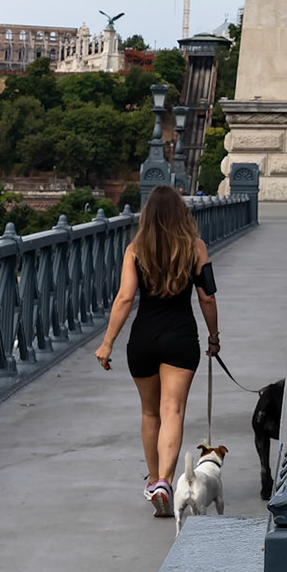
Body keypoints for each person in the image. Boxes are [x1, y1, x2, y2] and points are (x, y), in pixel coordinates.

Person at [95, 185, 220, 517]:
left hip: (143, 339)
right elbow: (207, 297)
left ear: (147, 216)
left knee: (150, 413)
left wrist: (107, 342)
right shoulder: (196, 249)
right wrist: (214, 336)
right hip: (180, 338)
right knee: (173, 411)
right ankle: (167, 479)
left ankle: (155, 482)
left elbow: (124, 298)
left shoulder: (135, 250)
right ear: (182, 214)